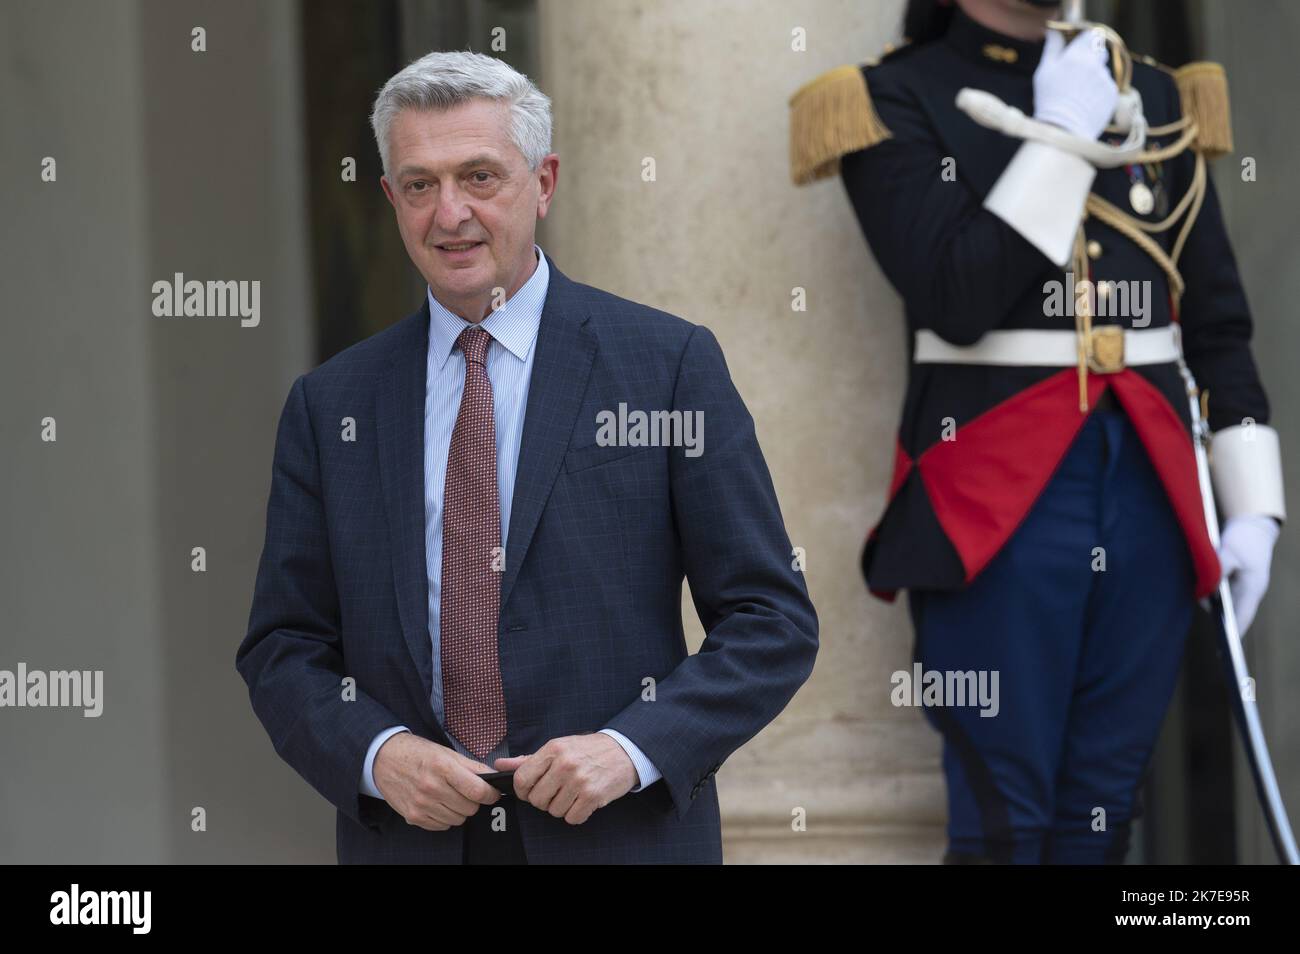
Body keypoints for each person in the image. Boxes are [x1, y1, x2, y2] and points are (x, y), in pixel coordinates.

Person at [237, 50, 818, 864]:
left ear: (542, 182)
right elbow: (283, 648)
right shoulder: (333, 404)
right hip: (415, 842)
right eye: (419, 184)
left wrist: (631, 749)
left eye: (480, 177)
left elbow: (771, 622)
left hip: (618, 837)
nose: (450, 214)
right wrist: (378, 756)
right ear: (390, 200)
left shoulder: (666, 365)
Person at [790, 0, 1284, 863]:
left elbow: (1213, 325)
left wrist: (1253, 506)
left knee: (1104, 811)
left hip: (1152, 483)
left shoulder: (1158, 94)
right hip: (994, 488)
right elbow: (960, 297)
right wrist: (1059, 132)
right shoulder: (895, 94)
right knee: (1003, 821)